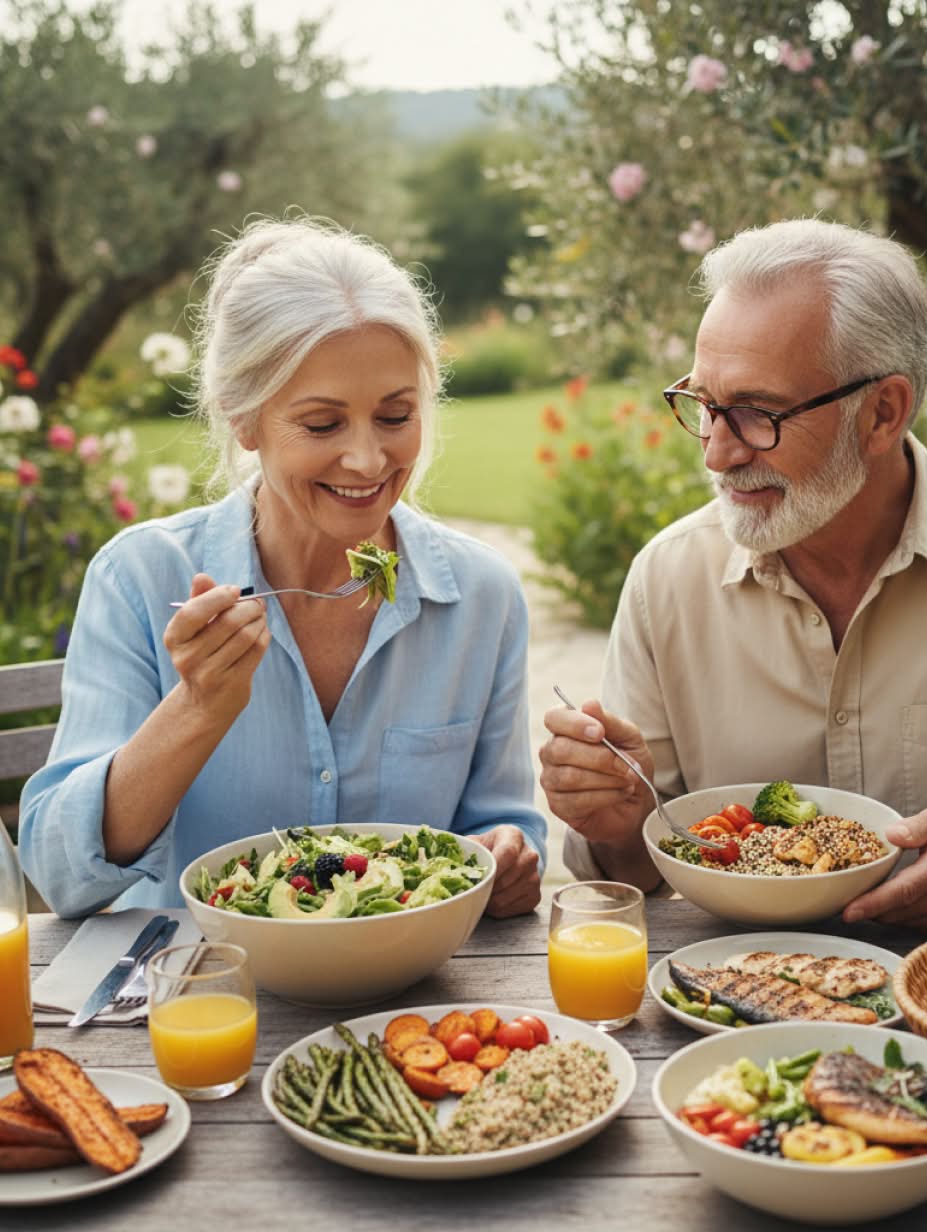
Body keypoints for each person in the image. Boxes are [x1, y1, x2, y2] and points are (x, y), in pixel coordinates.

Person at [540, 218, 927, 934]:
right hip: (730, 1008)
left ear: (883, 413)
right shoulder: (667, 580)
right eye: (704, 406)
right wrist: (617, 818)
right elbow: (631, 869)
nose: (716, 454)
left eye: (756, 413)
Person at [20, 216, 544, 918]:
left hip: (408, 1006)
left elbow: (500, 826)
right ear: (243, 418)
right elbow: (58, 874)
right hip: (204, 997)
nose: (366, 460)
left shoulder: (482, 596)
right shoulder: (141, 578)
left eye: (395, 416)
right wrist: (198, 710)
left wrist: (507, 856)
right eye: (323, 425)